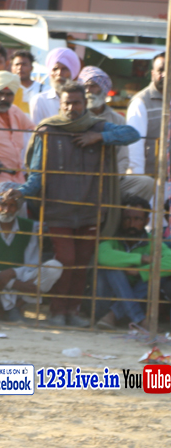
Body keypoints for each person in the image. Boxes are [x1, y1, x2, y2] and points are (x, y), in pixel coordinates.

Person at [8, 81, 140, 327]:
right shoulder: (48, 130)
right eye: (67, 103)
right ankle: (57, 312)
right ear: (60, 104)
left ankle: (73, 312)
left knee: (81, 263)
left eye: (76, 103)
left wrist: (99, 137)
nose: (71, 108)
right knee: (66, 260)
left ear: (84, 103)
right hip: (59, 210)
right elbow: (36, 175)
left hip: (90, 209)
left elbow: (132, 134)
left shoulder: (98, 126)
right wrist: (21, 192)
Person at [0, 188, 62, 322]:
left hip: (19, 283)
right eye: (3, 204)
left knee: (54, 267)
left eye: (12, 205)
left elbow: (32, 264)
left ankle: (17, 307)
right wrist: (12, 283)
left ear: (18, 208)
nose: (7, 210)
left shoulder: (29, 227)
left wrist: (12, 273)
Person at [95, 197, 171, 330]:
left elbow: (169, 261)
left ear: (146, 221)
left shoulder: (152, 242)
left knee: (156, 274)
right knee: (112, 268)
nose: (131, 224)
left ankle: (113, 315)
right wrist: (141, 259)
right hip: (105, 304)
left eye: (137, 219)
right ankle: (139, 319)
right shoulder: (112, 238)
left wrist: (140, 272)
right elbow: (102, 255)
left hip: (138, 303)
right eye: (127, 219)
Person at [82, 65, 155, 201]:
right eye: (85, 86)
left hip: (110, 179)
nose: (88, 90)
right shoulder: (78, 117)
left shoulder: (117, 119)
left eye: (93, 86)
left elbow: (123, 158)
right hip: (81, 179)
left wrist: (113, 179)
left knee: (147, 183)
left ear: (103, 88)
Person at [125, 52, 165, 188]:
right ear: (153, 73)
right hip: (153, 182)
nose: (165, 74)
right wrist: (140, 184)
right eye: (161, 70)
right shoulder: (141, 102)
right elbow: (135, 149)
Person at [30, 47, 81, 126]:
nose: (59, 73)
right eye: (55, 69)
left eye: (64, 69)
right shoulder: (39, 101)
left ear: (71, 72)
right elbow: (36, 130)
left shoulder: (81, 100)